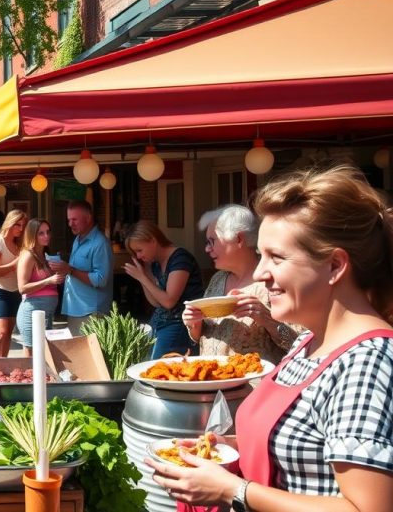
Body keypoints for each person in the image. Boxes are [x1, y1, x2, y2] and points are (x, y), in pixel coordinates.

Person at [149, 164, 393, 512]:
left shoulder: (367, 359)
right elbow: (304, 452)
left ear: (335, 266)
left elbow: (367, 508)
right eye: (261, 255)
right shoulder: (309, 341)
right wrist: (224, 447)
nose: (261, 273)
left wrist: (234, 489)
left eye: (276, 257)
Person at [182, 205, 298, 364]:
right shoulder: (218, 279)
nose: (207, 249)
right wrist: (194, 323)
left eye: (212, 241)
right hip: (212, 381)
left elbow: (299, 345)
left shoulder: (273, 282)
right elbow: (202, 335)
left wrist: (266, 319)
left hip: (254, 385)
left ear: (238, 239)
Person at [124, 220, 203, 358]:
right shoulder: (154, 264)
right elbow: (156, 302)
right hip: (160, 321)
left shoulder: (180, 258)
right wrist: (143, 275)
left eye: (139, 250)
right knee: (145, 363)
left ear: (153, 240)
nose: (138, 256)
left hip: (180, 323)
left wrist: (142, 278)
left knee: (157, 366)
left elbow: (169, 301)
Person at [50, 200, 114, 336]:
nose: (70, 224)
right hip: (76, 308)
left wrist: (70, 270)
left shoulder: (100, 243)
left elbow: (100, 280)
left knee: (89, 355)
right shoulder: (78, 239)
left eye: (74, 219)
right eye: (69, 220)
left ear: (88, 218)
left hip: (91, 312)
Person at [16, 218, 65, 357]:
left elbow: (51, 283)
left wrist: (58, 275)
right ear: (32, 235)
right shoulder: (28, 255)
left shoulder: (45, 255)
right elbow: (22, 287)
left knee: (44, 353)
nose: (46, 236)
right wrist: (48, 281)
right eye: (41, 233)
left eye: (48, 232)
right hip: (32, 311)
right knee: (32, 354)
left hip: (47, 313)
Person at [0, 209, 27, 357]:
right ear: (10, 223)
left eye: (23, 225)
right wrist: (14, 264)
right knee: (1, 333)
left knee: (8, 333)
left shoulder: (20, 244)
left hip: (16, 292)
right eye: (18, 225)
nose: (21, 229)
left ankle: (2, 366)